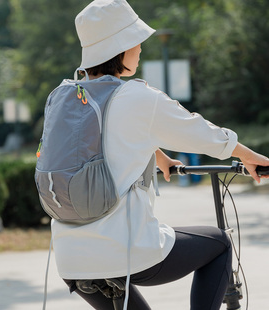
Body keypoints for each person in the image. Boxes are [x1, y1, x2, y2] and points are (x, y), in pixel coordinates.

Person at [50, 1, 269, 309]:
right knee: (219, 243)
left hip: (71, 257)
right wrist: (248, 156)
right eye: (136, 41)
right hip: (125, 250)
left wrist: (161, 157)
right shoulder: (138, 96)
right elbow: (198, 131)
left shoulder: (69, 96)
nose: (140, 48)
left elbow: (101, 136)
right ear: (122, 47)